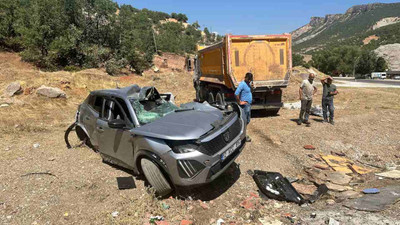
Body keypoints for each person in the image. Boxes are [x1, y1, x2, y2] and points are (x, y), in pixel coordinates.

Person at [235, 72, 253, 141]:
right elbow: (236, 93)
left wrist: (252, 87)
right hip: (245, 105)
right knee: (244, 121)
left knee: (247, 120)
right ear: (246, 78)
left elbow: (249, 92)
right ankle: (243, 136)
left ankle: (242, 134)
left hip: (248, 105)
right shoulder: (242, 84)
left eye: (250, 79)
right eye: (249, 79)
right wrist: (239, 102)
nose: (249, 81)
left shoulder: (248, 84)